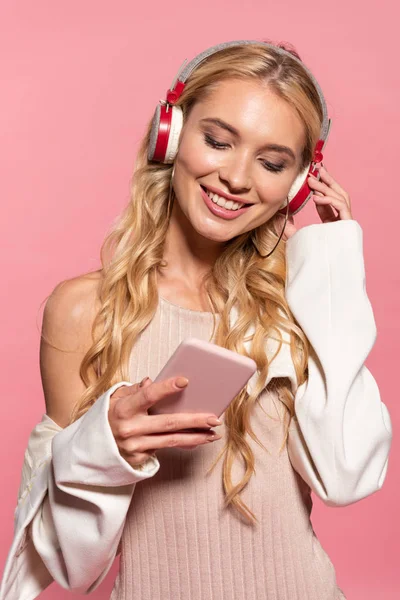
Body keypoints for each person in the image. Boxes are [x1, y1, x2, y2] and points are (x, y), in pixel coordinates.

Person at [0, 39, 392, 600]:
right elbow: (71, 565)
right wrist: (104, 448)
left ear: (299, 183)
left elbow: (347, 476)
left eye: (273, 162)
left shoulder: (297, 302)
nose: (236, 177)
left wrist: (332, 269)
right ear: (172, 132)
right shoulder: (85, 310)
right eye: (217, 141)